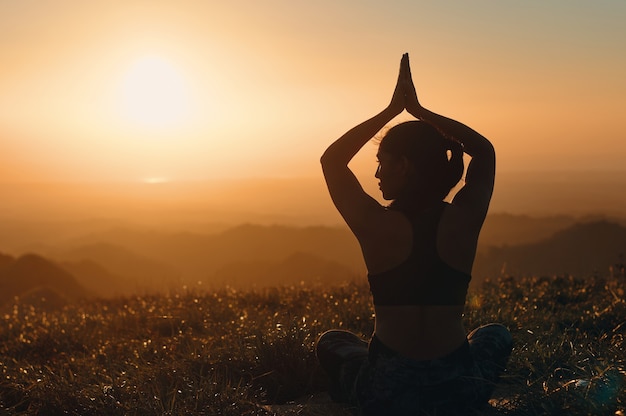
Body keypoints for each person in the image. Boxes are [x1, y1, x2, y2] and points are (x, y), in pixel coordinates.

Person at [316, 53, 513, 415]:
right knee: (495, 334)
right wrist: (421, 113)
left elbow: (332, 161)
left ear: (403, 165)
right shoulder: (464, 218)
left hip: (387, 392)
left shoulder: (374, 224)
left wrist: (394, 110)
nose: (377, 175)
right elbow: (484, 151)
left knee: (333, 342)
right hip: (458, 389)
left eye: (382, 163)